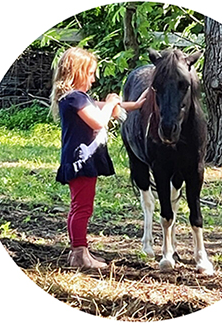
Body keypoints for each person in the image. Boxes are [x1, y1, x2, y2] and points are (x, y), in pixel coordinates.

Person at [50, 47, 147, 270]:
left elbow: (106, 108)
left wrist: (137, 104)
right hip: (80, 161)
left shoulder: (80, 98)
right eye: (91, 74)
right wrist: (112, 103)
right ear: (77, 73)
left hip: (84, 161)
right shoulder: (74, 98)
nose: (93, 79)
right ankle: (79, 255)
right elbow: (99, 121)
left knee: (81, 207)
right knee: (82, 208)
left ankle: (80, 251)